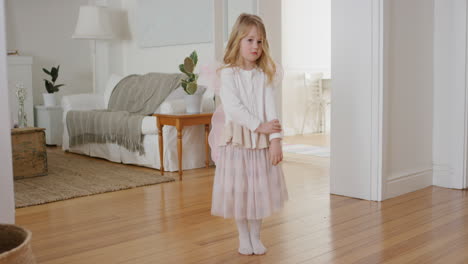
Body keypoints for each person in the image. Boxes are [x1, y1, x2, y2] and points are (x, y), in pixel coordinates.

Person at [210, 13, 288, 256]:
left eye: (260, 41)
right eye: (250, 40)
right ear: (238, 41)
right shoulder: (228, 74)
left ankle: (256, 236)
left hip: (260, 143)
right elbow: (233, 108)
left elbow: (271, 111)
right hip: (238, 142)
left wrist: (275, 140)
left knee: (258, 192)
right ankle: (243, 236)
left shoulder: (264, 75)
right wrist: (259, 126)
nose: (256, 46)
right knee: (241, 191)